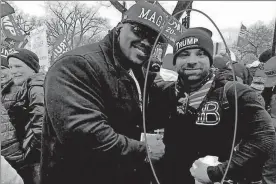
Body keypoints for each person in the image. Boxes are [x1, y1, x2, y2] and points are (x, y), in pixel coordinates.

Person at [40, 2, 167, 184]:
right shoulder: (75, 65)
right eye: (139, 31)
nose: (146, 42)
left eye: (154, 39)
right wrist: (144, 150)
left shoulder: (137, 72)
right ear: (120, 27)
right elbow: (84, 136)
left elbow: (155, 100)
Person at [150, 27, 276, 184]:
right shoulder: (164, 92)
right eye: (184, 54)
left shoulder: (234, 93)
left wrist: (215, 172)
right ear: (175, 61)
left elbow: (266, 138)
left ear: (210, 59)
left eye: (200, 53)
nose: (192, 61)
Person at [7, 48, 45, 184]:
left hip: (38, 160)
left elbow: (41, 129)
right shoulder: (27, 87)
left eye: (18, 66)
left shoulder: (36, 89)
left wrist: (28, 154)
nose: (13, 71)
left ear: (32, 68)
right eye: (10, 67)